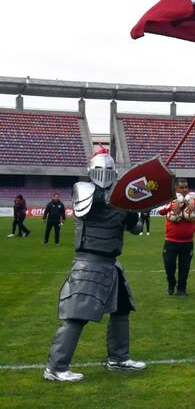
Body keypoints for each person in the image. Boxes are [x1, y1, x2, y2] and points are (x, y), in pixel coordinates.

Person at [44, 146, 145, 382]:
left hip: (112, 264)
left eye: (109, 169)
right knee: (77, 315)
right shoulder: (84, 189)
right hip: (89, 263)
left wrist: (138, 206)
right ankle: (56, 367)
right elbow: (97, 202)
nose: (105, 173)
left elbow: (135, 228)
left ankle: (118, 358)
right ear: (91, 170)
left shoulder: (122, 198)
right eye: (101, 169)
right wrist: (127, 198)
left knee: (121, 310)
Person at [157, 180, 195, 296]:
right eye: (181, 187)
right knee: (169, 265)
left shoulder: (193, 200)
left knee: (184, 268)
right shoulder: (170, 200)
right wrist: (172, 206)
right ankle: (171, 283)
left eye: (186, 187)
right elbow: (160, 211)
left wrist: (193, 205)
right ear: (176, 189)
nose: (184, 190)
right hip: (171, 241)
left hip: (187, 241)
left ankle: (181, 289)